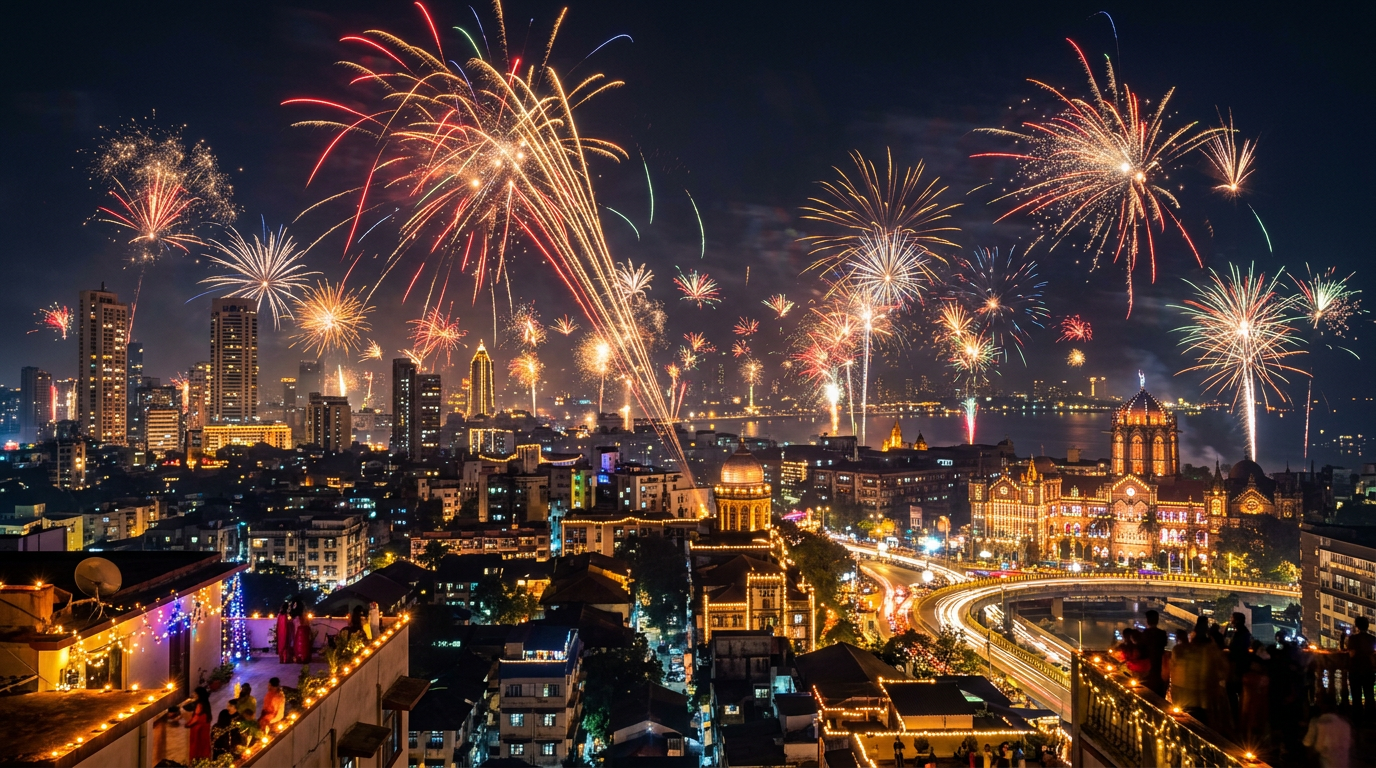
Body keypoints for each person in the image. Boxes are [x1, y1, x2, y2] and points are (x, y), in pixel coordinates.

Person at [1303, 704, 1351, 768]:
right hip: (1342, 763)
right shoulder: (1345, 725)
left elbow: (1313, 744)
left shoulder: (1319, 723)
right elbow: (1348, 745)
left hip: (1327, 763)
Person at [1226, 612, 1252, 717]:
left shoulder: (1240, 633)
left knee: (1232, 690)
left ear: (1236, 620)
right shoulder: (1242, 632)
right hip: (1239, 666)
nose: (1230, 620)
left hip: (1238, 667)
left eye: (1232, 618)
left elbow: (1236, 651)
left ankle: (1236, 714)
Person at [1348, 615, 1376, 713]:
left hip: (1355, 670)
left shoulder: (1353, 639)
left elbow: (1351, 654)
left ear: (1357, 626)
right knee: (1369, 695)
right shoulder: (1372, 638)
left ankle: (1357, 718)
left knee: (1356, 696)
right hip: (1368, 670)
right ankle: (1370, 717)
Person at [1140, 609, 1169, 696]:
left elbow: (1142, 648)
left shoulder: (1145, 633)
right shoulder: (1162, 633)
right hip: (1159, 664)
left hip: (1147, 665)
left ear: (1147, 620)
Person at [187, 687, 213, 761]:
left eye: (195, 693)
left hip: (198, 729)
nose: (193, 695)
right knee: (204, 745)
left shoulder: (199, 705)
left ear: (199, 695)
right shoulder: (206, 703)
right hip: (204, 727)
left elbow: (196, 717)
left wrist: (188, 724)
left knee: (196, 746)